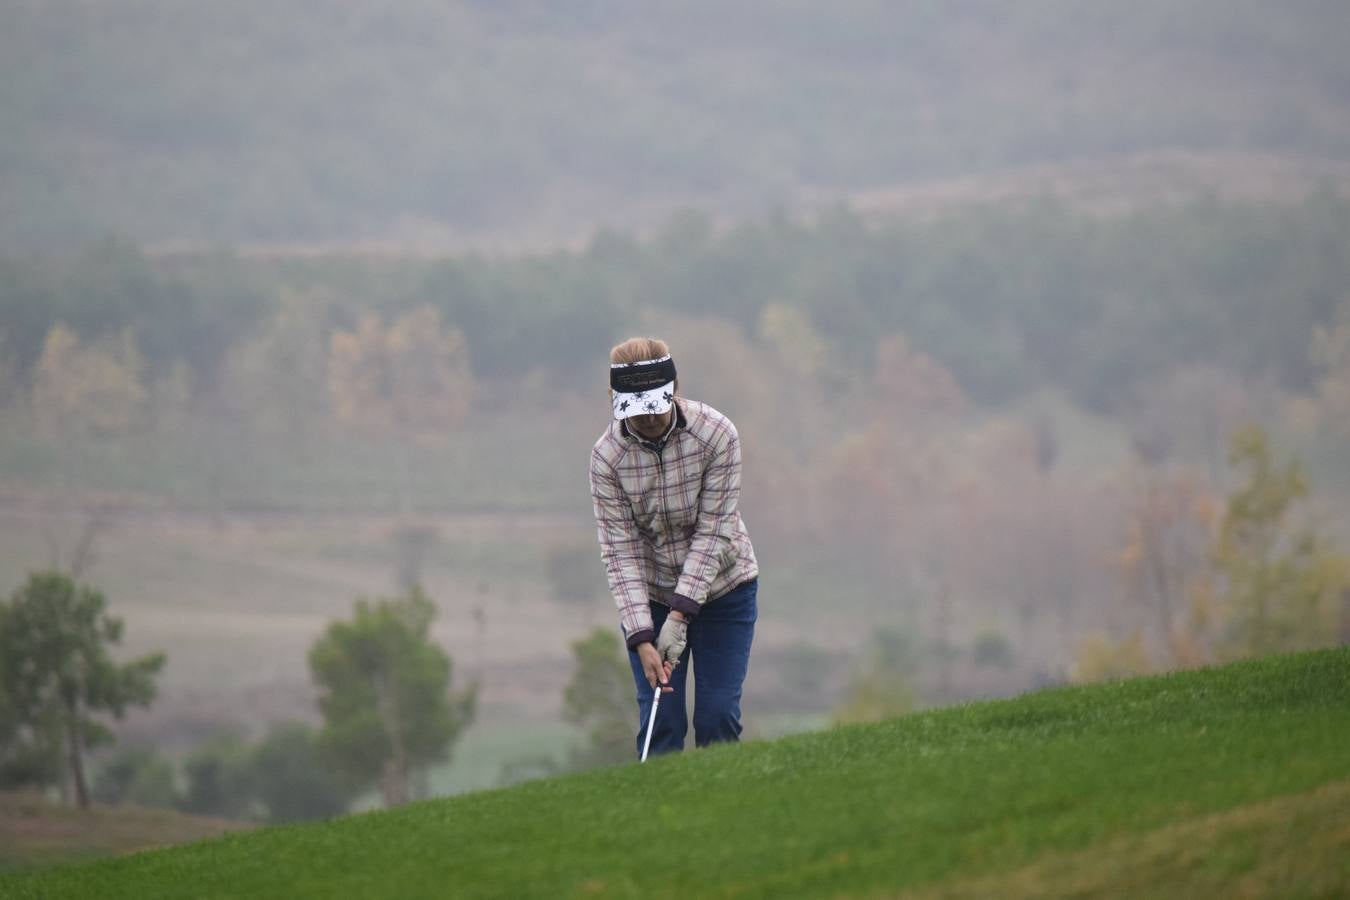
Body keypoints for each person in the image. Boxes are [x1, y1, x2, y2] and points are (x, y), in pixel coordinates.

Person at [589, 336, 759, 757]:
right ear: (616, 399)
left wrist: (682, 615)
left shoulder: (718, 434)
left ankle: (722, 815)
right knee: (661, 720)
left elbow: (715, 530)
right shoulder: (606, 458)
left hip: (725, 590)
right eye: (636, 410)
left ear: (674, 389)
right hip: (652, 597)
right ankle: (659, 819)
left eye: (654, 408)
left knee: (716, 716)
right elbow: (620, 551)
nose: (647, 421)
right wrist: (642, 636)